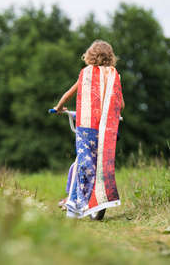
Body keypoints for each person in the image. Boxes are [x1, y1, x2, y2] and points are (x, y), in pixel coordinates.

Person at [53, 40, 124, 218]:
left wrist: (59, 107)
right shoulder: (115, 75)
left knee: (84, 163)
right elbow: (121, 104)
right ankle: (96, 198)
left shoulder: (85, 74)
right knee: (102, 164)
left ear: (89, 56)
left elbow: (70, 93)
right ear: (110, 57)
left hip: (86, 128)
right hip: (107, 130)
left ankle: (75, 203)